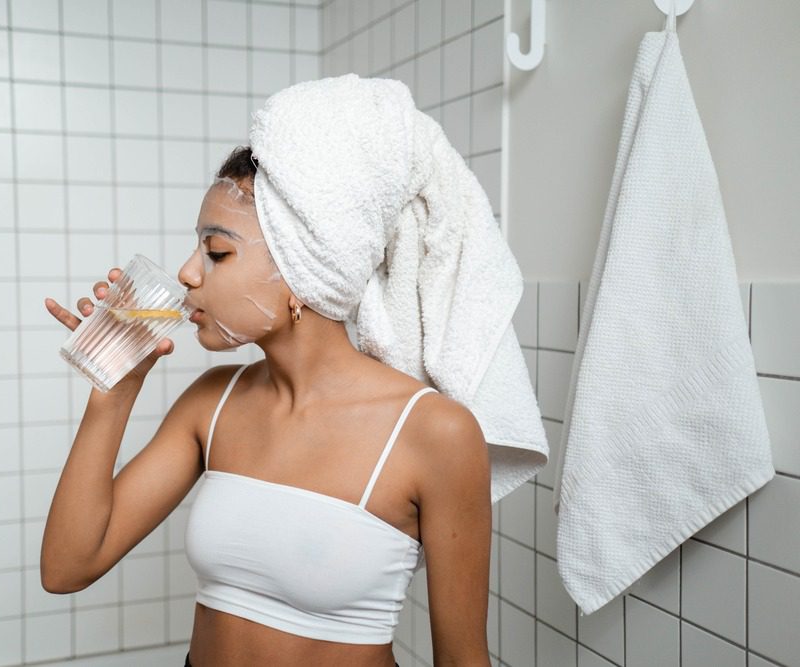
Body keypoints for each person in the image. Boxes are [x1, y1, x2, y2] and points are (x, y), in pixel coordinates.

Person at [43, 73, 502, 666]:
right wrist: (113, 388)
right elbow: (67, 568)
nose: (187, 273)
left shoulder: (434, 433)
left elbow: (463, 660)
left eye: (217, 252)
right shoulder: (212, 401)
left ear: (300, 273)